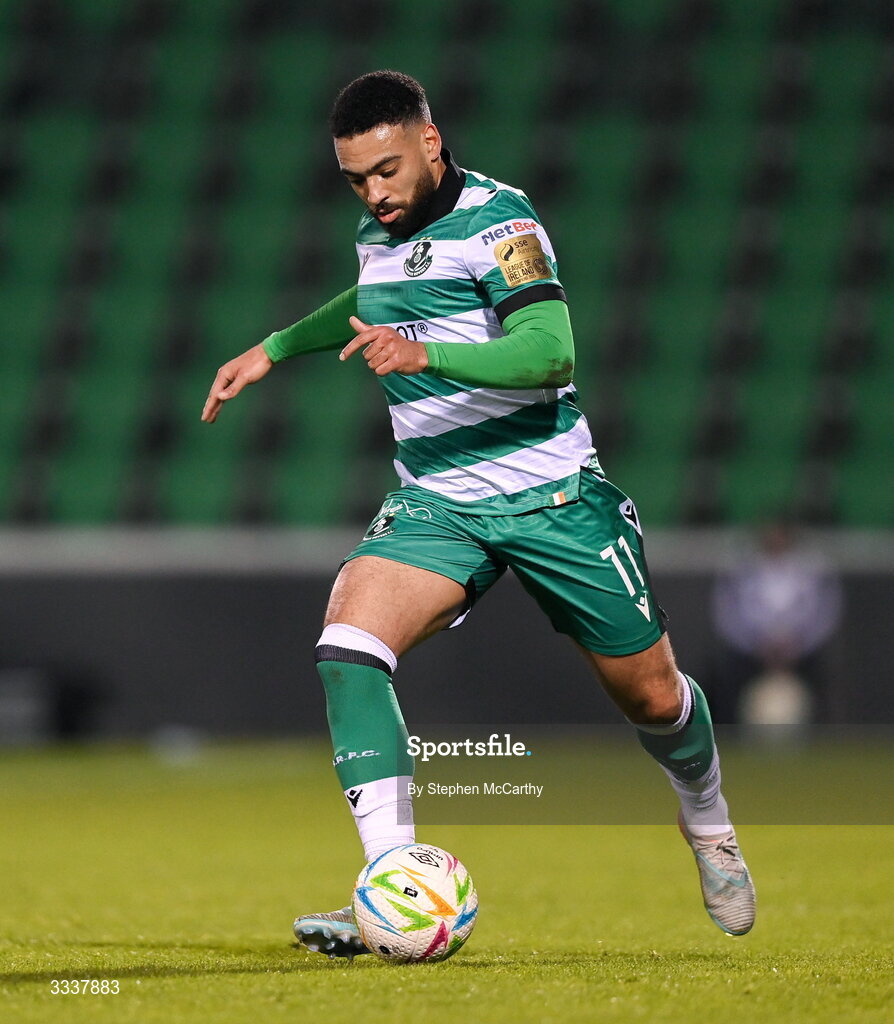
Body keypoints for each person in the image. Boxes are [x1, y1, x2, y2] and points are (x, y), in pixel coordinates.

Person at [202, 70, 756, 955]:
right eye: (355, 178)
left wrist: (428, 357)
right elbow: (378, 302)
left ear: (430, 141)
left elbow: (549, 349)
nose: (374, 193)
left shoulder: (503, 223)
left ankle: (710, 824)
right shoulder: (377, 232)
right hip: (438, 502)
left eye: (387, 169)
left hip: (555, 498)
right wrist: (275, 347)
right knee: (348, 651)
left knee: (652, 696)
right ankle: (393, 885)